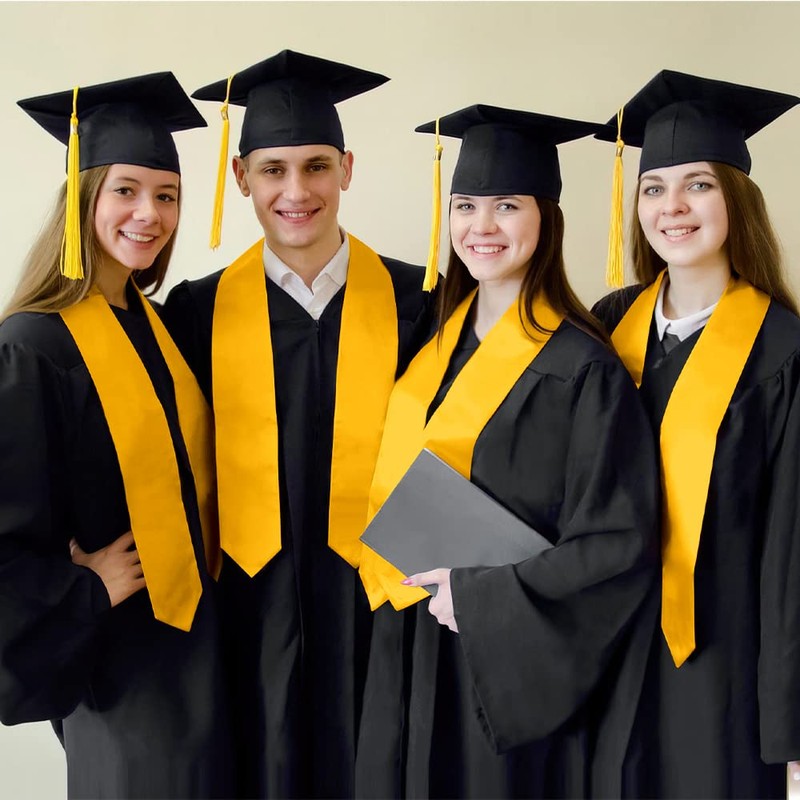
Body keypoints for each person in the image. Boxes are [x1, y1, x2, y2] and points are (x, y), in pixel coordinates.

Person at [354, 104, 659, 799]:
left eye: (507, 206)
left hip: (504, 661)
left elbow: (615, 542)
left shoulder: (584, 369)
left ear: (546, 219)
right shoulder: (429, 344)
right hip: (407, 641)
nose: (481, 226)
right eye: (465, 206)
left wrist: (482, 600)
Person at [161, 50, 434, 799]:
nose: (296, 191)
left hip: (381, 607)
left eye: (316, 166)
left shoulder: (422, 301)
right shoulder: (195, 311)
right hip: (246, 614)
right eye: (273, 170)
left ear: (347, 169)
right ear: (241, 176)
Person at [0, 73, 235, 798]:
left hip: (203, 647)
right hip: (120, 665)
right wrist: (83, 589)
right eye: (126, 190)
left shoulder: (159, 327)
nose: (149, 213)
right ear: (83, 199)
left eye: (167, 195)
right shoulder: (32, 347)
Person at [592, 69, 800, 799]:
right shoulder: (606, 324)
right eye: (653, 188)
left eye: (699, 185)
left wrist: (791, 727)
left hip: (723, 665)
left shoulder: (784, 351)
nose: (672, 207)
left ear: (737, 199)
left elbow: (792, 553)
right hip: (603, 653)